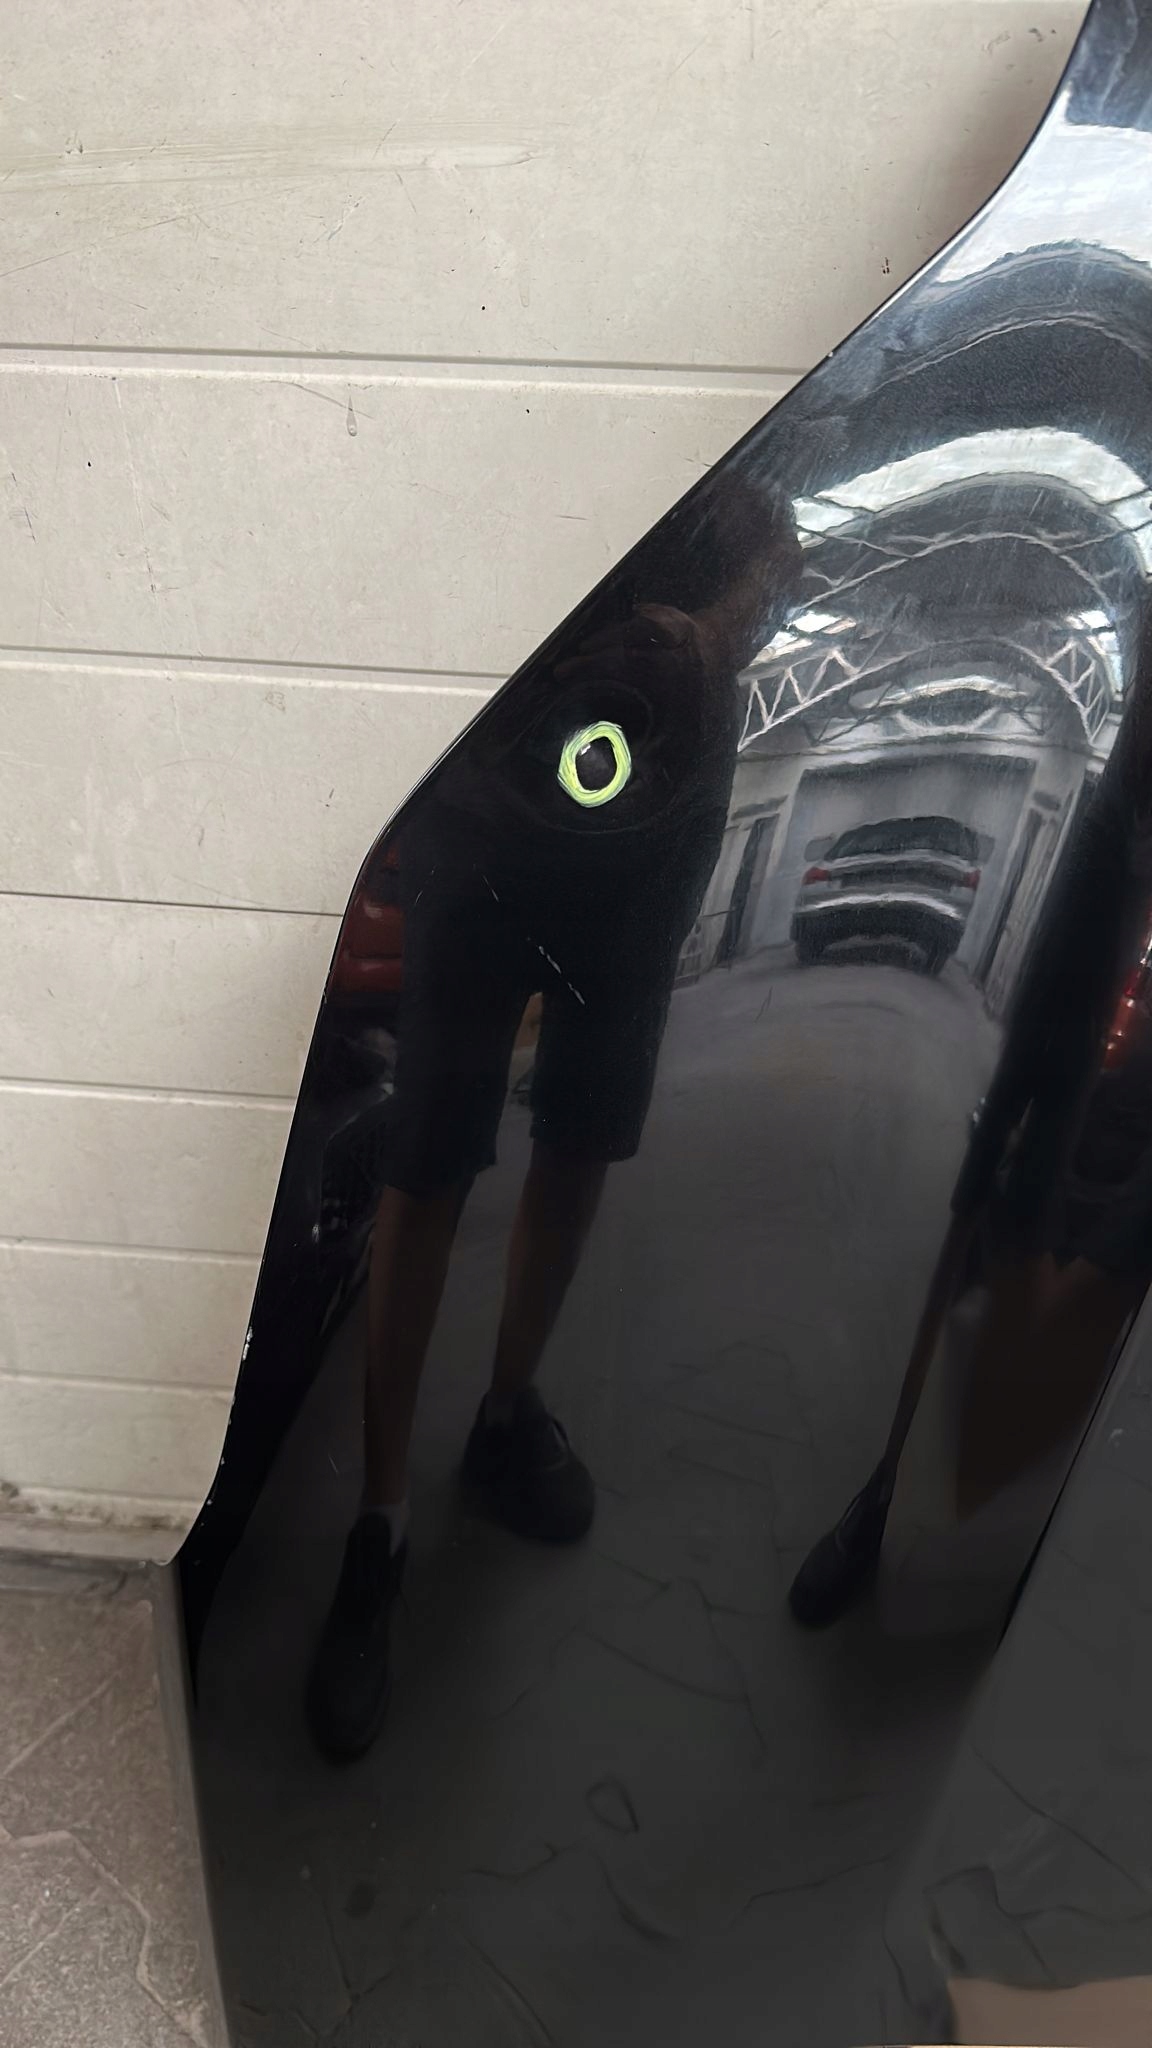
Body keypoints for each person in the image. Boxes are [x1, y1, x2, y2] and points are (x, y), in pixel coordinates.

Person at [307, 471, 801, 1758]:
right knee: (428, 1155)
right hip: (489, 789)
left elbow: (775, 538)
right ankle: (378, 1520)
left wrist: (713, 627)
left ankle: (505, 1411)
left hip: (663, 809)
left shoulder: (745, 419)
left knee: (584, 1131)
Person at [788, 633, 1152, 1629]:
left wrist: (1112, 1251)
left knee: (1086, 1317)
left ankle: (1021, 1535)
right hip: (1080, 1071)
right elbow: (1041, 1027)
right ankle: (887, 1489)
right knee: (985, 1233)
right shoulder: (1111, 818)